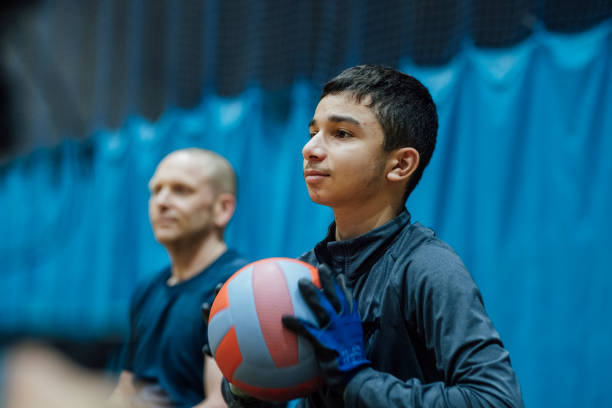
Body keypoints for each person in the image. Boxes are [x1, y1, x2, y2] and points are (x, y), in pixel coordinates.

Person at [220, 65, 524, 407]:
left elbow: (497, 400)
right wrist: (243, 382)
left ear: (400, 165)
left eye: (342, 134)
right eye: (313, 131)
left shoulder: (429, 267)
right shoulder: (303, 273)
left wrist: (357, 379)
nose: (310, 149)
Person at [110, 148, 249, 408]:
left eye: (181, 190)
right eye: (155, 190)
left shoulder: (236, 288)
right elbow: (125, 390)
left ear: (223, 208)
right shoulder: (148, 288)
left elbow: (222, 403)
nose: (161, 201)